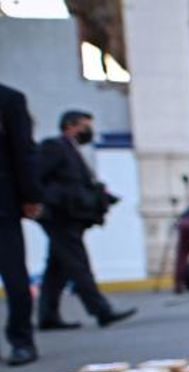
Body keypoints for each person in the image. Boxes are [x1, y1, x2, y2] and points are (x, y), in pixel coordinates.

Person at [37, 110, 136, 329]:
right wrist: (51, 203)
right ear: (71, 126)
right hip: (60, 216)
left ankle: (47, 315)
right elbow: (38, 177)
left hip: (71, 216)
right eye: (85, 125)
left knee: (57, 267)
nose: (88, 131)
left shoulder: (72, 149)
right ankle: (101, 310)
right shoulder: (54, 146)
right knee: (78, 263)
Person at [0, 83, 41, 366]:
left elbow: (22, 151)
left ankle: (22, 340)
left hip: (3, 205)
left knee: (15, 277)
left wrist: (29, 195)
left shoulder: (9, 100)